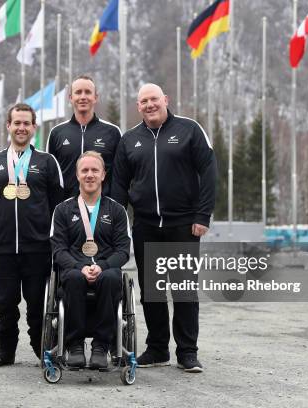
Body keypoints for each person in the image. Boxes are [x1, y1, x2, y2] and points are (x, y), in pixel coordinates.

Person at [111, 83, 217, 373]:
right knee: (152, 291)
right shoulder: (129, 140)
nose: (149, 104)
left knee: (184, 290)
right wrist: (118, 224)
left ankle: (187, 352)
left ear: (166, 100)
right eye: (143, 100)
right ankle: (157, 348)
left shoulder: (189, 130)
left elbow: (208, 171)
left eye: (154, 99)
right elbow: (119, 184)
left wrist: (202, 216)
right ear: (138, 106)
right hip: (145, 226)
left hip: (184, 224)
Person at [0, 103, 64, 367]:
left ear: (34, 127)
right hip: (4, 247)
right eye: (17, 123)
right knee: (6, 304)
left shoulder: (47, 162)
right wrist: (2, 223)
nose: (21, 128)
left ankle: (43, 351)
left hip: (37, 248)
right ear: (8, 126)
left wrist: (39, 228)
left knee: (37, 306)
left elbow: (57, 203)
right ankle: (6, 351)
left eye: (26, 123)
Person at [50, 151, 131, 369]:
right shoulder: (62, 210)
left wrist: (101, 266)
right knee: (74, 277)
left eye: (95, 170)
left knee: (112, 278)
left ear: (103, 174)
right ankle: (74, 346)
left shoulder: (117, 210)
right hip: (74, 269)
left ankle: (101, 346)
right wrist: (80, 266)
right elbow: (58, 250)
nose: (89, 175)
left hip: (106, 268)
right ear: (77, 175)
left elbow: (123, 250)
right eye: (84, 170)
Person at [47, 74, 121, 199]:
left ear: (95, 97)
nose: (83, 97)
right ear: (70, 98)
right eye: (78, 92)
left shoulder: (112, 132)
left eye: (87, 92)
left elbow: (119, 177)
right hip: (66, 211)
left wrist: (115, 208)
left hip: (102, 212)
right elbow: (50, 177)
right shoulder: (56, 133)